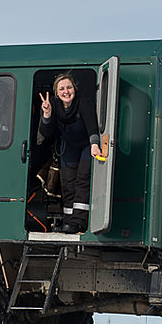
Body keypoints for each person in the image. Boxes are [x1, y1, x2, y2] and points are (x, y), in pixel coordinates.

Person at [37, 73, 102, 233]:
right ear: (56, 93)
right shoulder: (51, 104)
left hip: (86, 145)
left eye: (69, 87)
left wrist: (94, 144)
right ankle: (68, 222)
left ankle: (79, 222)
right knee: (68, 183)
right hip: (69, 147)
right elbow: (46, 133)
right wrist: (47, 114)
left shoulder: (83, 101)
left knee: (82, 181)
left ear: (74, 88)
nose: (66, 91)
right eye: (62, 89)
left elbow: (92, 125)